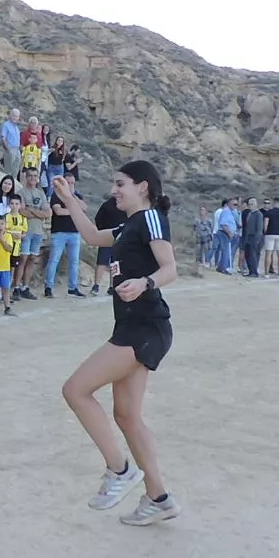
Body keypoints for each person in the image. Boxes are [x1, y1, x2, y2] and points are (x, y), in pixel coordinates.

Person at [51, 161, 181, 525]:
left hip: (144, 326)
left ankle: (120, 470)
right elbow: (93, 237)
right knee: (126, 415)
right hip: (134, 325)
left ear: (143, 187)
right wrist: (69, 199)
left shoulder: (151, 218)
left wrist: (145, 283)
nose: (114, 190)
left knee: (75, 390)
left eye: (120, 184)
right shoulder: (128, 226)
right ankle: (159, 498)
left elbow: (170, 268)